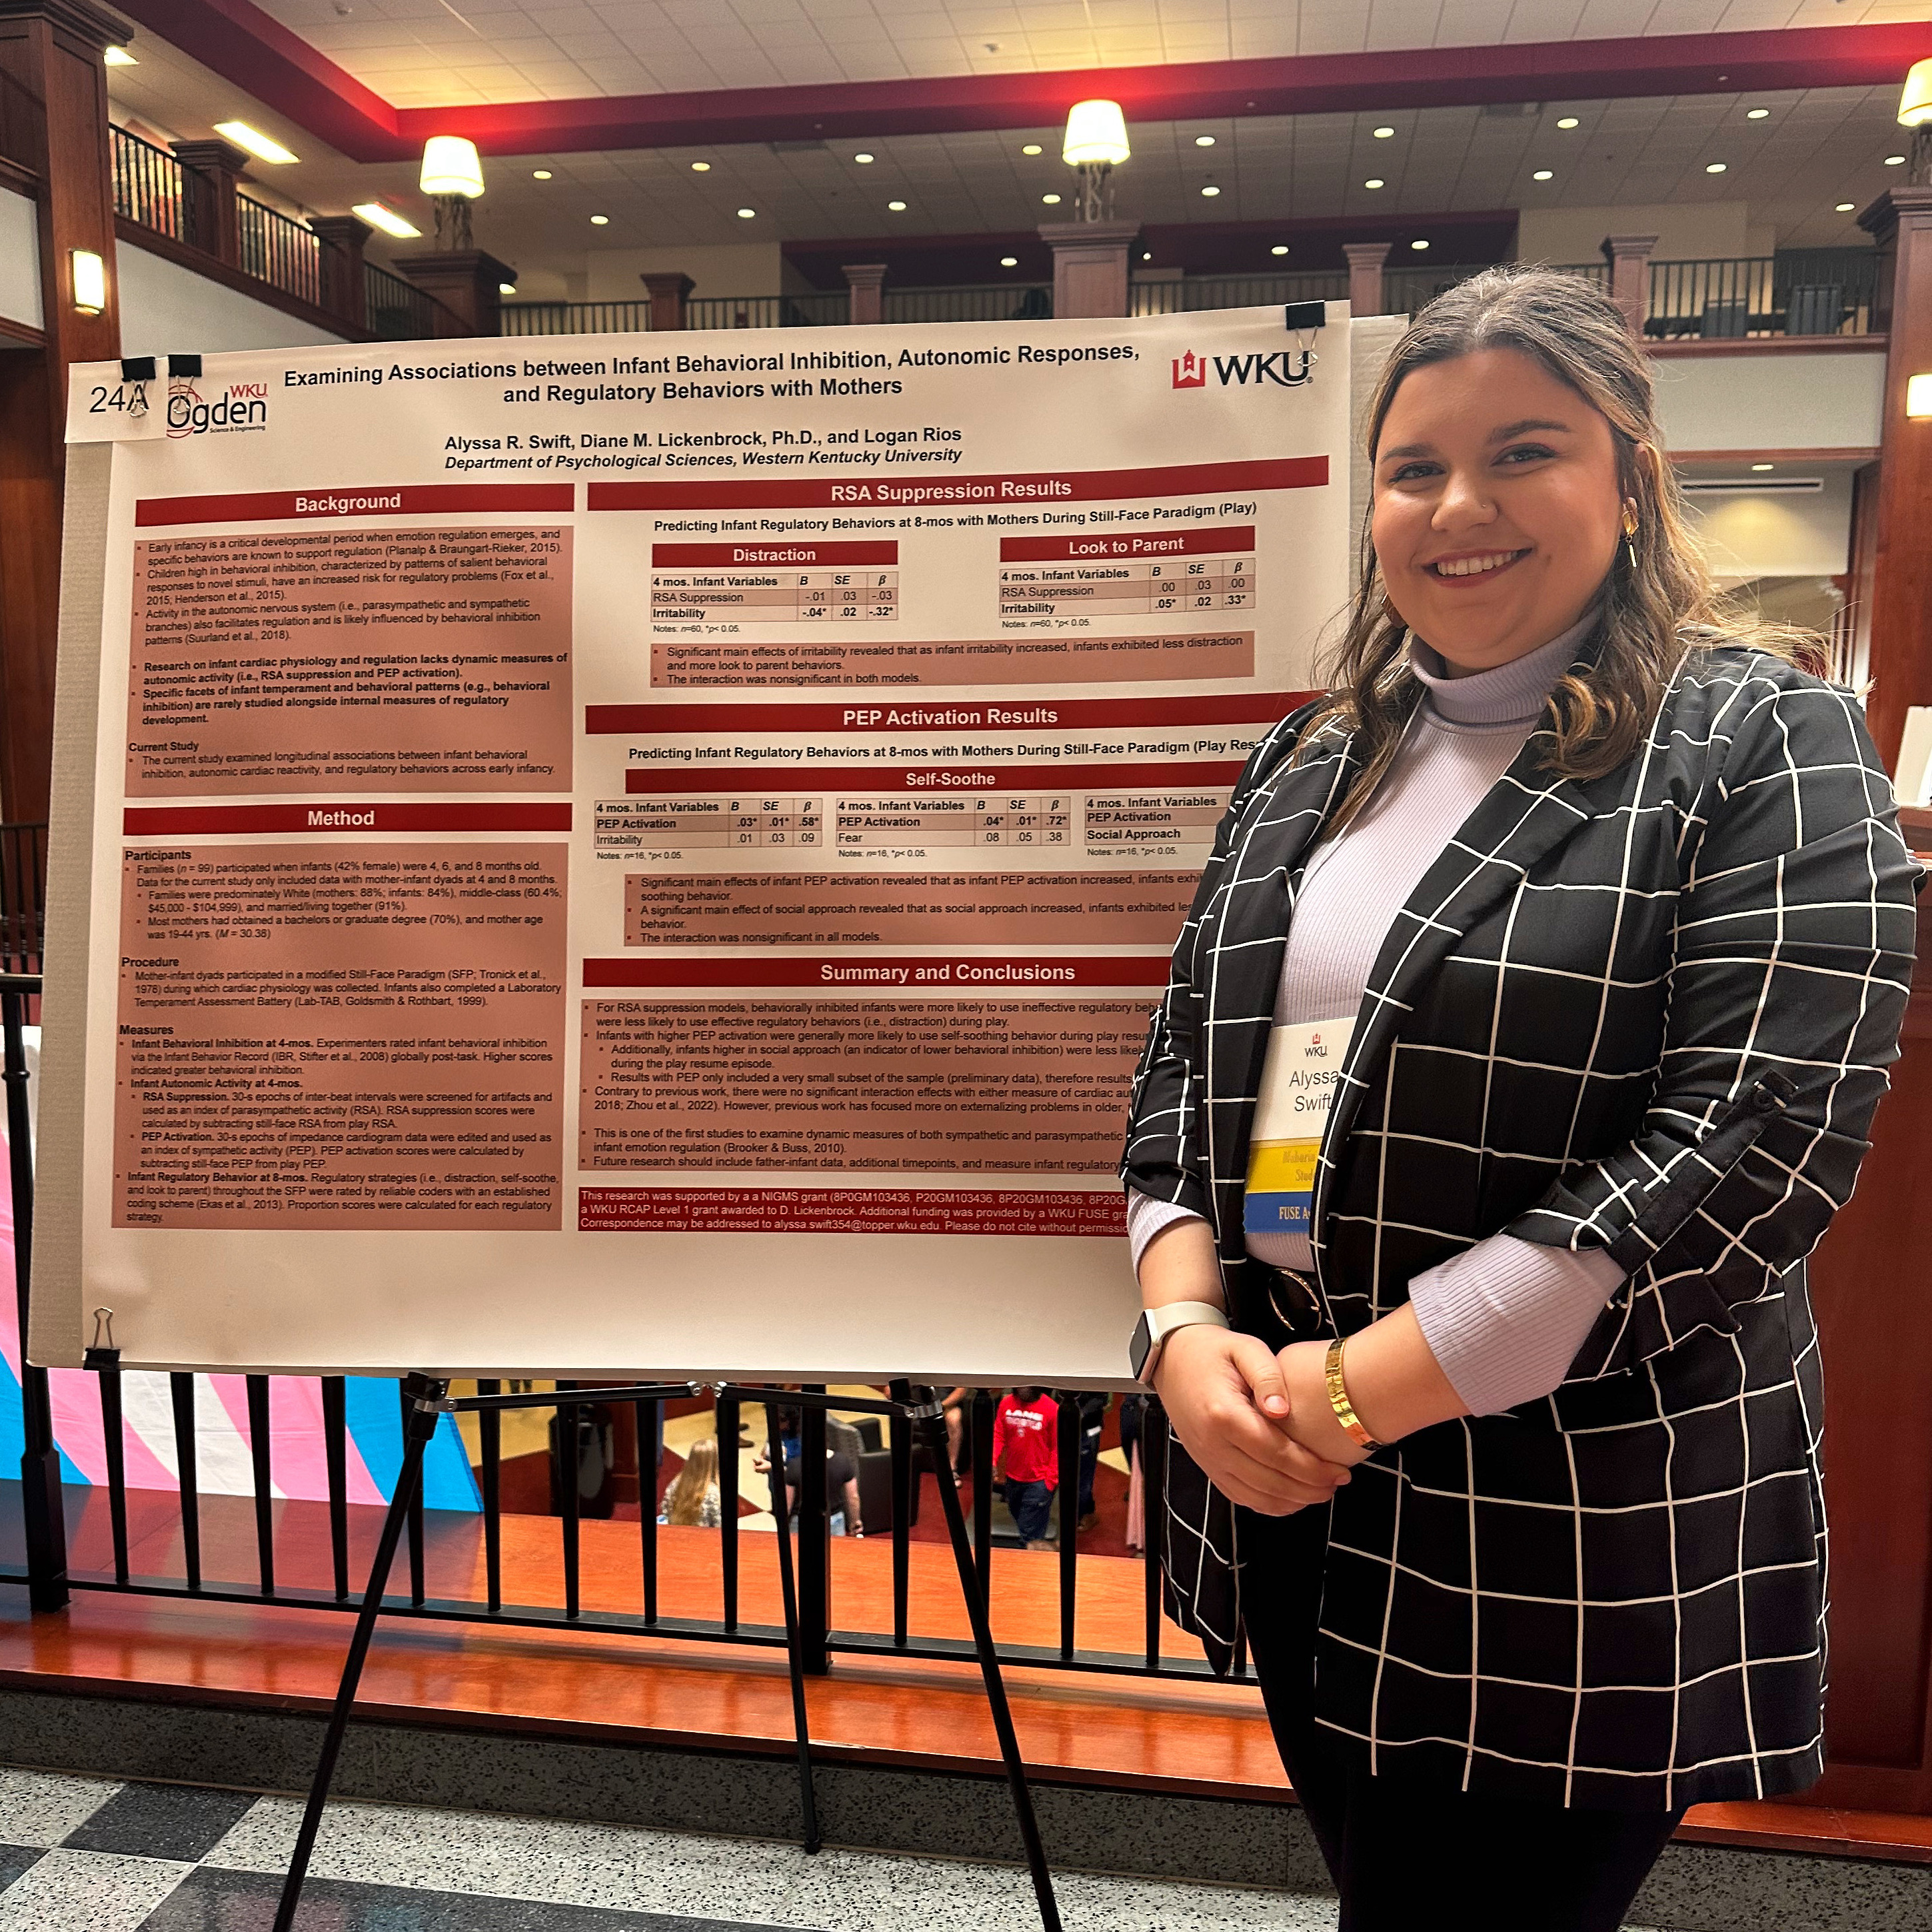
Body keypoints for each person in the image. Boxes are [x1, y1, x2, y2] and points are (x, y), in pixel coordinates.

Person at [1120, 266, 1921, 1931]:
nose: (1458, 507)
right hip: (1295, 1484)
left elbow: (1748, 1145)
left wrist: (1358, 1392)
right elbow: (1187, 1060)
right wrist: (1185, 1337)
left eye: (1523, 452)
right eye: (1414, 468)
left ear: (1630, 478)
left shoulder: (1761, 738)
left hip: (1570, 1522)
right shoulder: (1313, 754)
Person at [991, 1386, 1058, 1548]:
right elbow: (999, 1434)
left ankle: (1030, 1559)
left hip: (1039, 1481)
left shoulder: (1052, 1409)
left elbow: (1058, 1448)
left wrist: (1050, 1482)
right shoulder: (1006, 1403)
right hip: (1013, 1477)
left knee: (1029, 1533)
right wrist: (993, 1461)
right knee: (1020, 1517)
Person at [658, 1434, 721, 1528]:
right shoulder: (714, 1493)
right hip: (702, 1536)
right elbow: (718, 1526)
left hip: (676, 1531)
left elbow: (665, 1510)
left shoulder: (676, 1483)